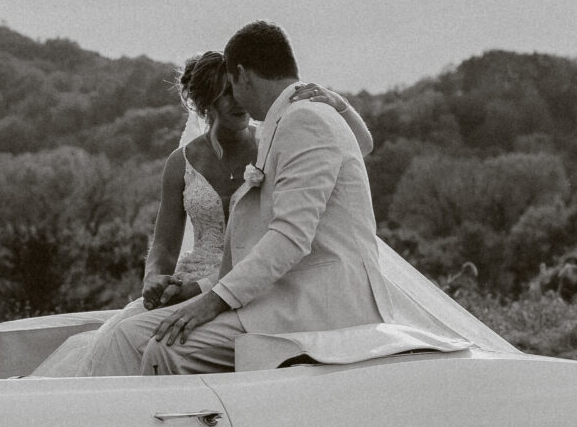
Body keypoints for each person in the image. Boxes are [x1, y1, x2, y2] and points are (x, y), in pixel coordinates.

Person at [30, 48, 372, 377]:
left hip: (247, 280)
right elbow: (163, 244)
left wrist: (338, 103)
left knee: (157, 341)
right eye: (225, 94)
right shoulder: (180, 163)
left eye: (237, 90)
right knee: (124, 337)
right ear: (206, 103)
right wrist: (154, 280)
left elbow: (356, 150)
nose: (237, 102)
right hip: (190, 280)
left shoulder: (274, 142)